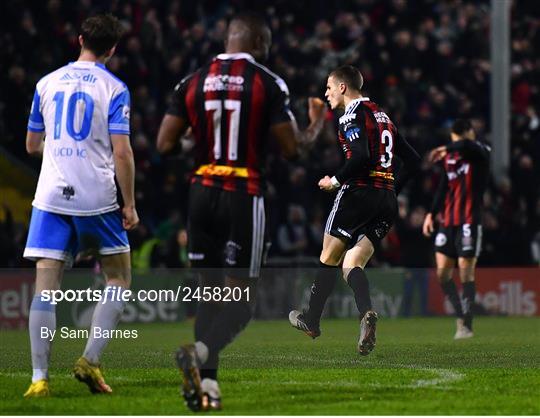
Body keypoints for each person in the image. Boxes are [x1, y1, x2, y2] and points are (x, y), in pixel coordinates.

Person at [156, 12, 326, 412]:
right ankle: (198, 354)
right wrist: (317, 123)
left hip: (200, 192)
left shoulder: (193, 80)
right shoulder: (267, 82)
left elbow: (165, 145)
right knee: (242, 302)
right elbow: (293, 150)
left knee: (210, 294)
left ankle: (208, 389)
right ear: (261, 43)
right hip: (242, 193)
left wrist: (198, 142)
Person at [23, 14, 139, 397]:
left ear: (79, 40)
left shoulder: (45, 83)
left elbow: (32, 145)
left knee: (46, 289)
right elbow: (121, 153)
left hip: (52, 195)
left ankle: (39, 378)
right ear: (112, 49)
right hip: (97, 196)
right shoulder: (115, 88)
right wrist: (130, 204)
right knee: (119, 278)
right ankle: (89, 359)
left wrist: (59, 156)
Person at [289, 65, 420, 355]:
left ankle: (311, 321)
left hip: (358, 195)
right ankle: (366, 313)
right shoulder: (382, 116)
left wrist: (335, 181)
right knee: (352, 264)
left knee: (328, 257)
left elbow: (360, 156)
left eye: (328, 87)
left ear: (343, 87)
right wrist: (391, 188)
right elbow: (413, 160)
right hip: (386, 200)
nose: (326, 93)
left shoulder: (351, 116)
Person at [422, 119, 490, 339]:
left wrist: (446, 147)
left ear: (471, 134)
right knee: (442, 273)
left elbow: (467, 146)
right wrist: (431, 213)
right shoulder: (450, 158)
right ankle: (460, 315)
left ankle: (466, 324)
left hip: (470, 220)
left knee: (465, 270)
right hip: (448, 222)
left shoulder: (481, 151)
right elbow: (444, 186)